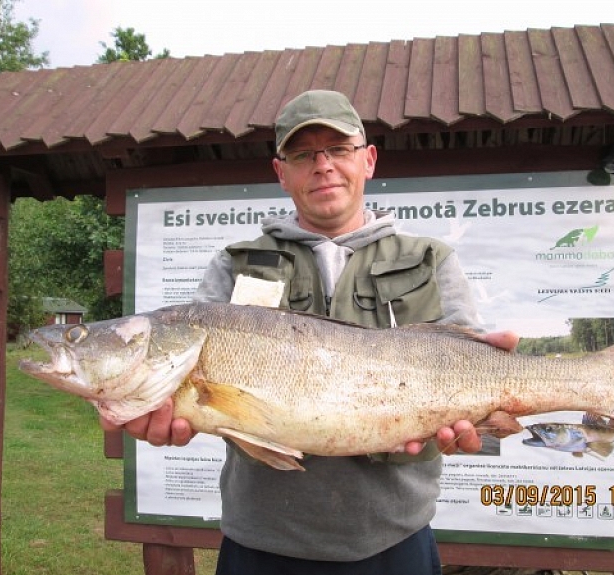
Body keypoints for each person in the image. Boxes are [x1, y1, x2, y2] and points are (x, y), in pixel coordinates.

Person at [102, 90, 517, 575]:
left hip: (394, 538)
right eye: (303, 154)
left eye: (338, 149)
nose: (323, 166)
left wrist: (476, 424)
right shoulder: (233, 265)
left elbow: (468, 367)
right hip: (262, 540)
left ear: (368, 160)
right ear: (282, 172)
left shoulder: (431, 260)